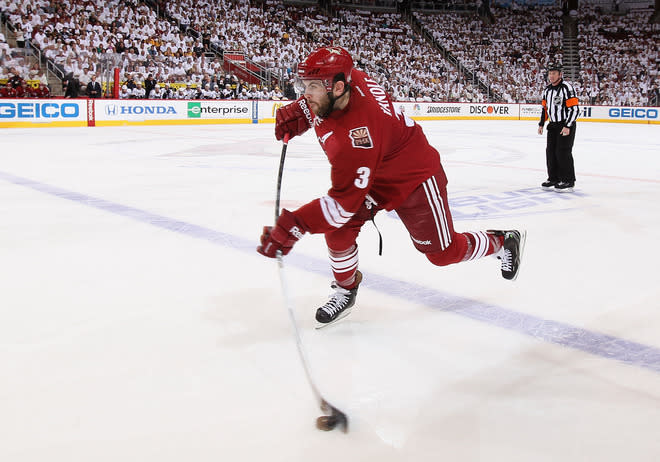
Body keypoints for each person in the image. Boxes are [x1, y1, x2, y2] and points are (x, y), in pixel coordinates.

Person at [257, 46, 526, 326]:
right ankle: (346, 289)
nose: (306, 93)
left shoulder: (358, 137)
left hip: (414, 177)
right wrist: (304, 108)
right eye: (305, 86)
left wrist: (295, 224)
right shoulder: (348, 80)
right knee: (338, 232)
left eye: (312, 87)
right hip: (376, 169)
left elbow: (341, 206)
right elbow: (325, 100)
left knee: (442, 253)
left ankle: (501, 242)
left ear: (337, 87)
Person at [538, 63, 579, 192]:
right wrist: (541, 123)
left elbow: (574, 109)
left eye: (554, 73)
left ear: (560, 75)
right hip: (553, 125)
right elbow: (545, 108)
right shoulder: (547, 90)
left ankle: (568, 180)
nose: (551, 76)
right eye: (550, 73)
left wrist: (568, 125)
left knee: (563, 152)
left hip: (565, 124)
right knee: (550, 152)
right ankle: (553, 178)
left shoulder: (567, 88)